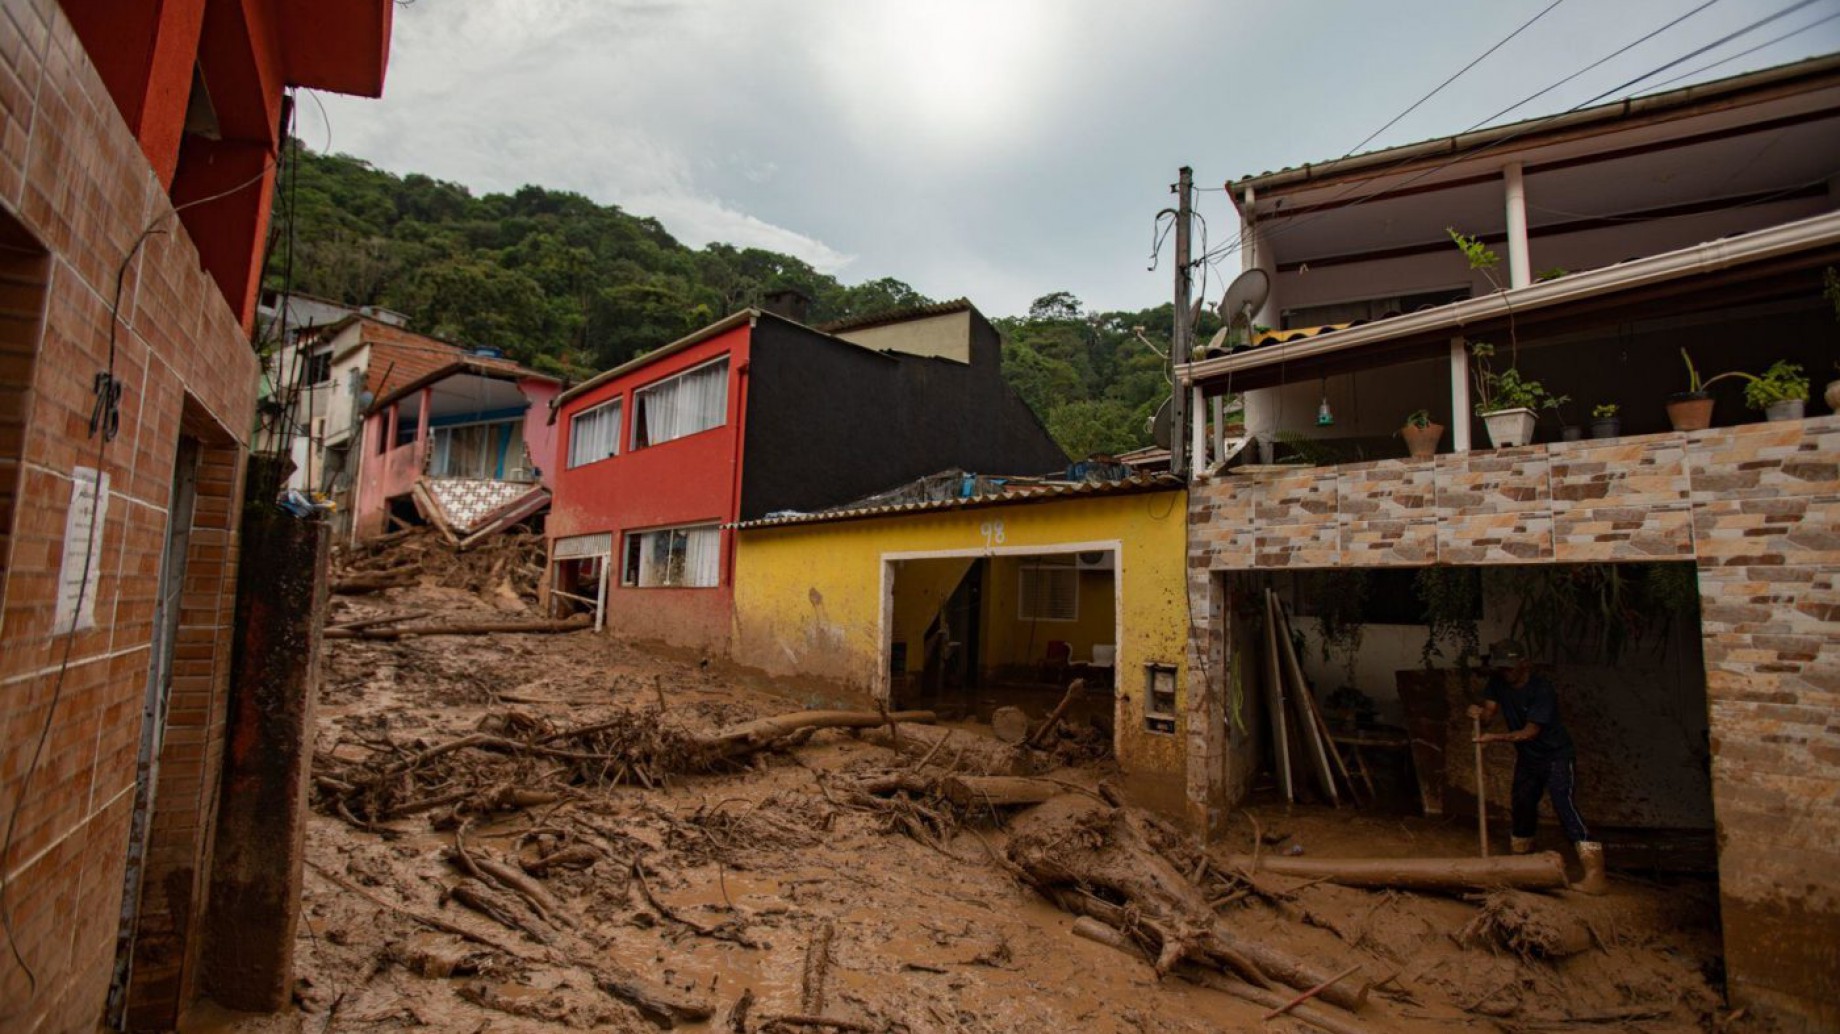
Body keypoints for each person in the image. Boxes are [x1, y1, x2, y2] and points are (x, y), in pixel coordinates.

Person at [1467, 640, 1606, 894]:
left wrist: (1494, 739)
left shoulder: (1542, 689)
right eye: (1501, 668)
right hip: (1528, 758)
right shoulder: (1497, 683)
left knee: (1564, 806)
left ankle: (1595, 875)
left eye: (1509, 668)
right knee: (1521, 804)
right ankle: (1522, 864)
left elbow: (1530, 732)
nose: (1505, 672)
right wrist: (1478, 714)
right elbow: (1488, 714)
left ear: (1525, 664)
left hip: (1556, 756)